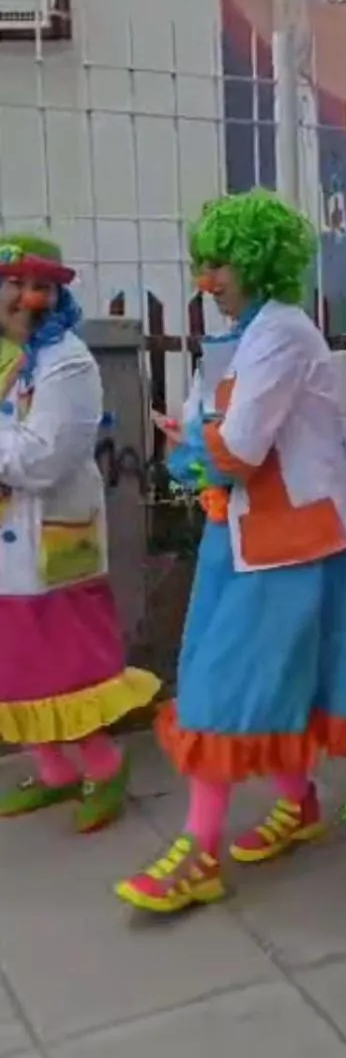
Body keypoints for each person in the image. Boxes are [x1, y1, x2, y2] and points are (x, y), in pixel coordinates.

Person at [116, 190, 346, 914]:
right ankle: (299, 804)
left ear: (260, 263)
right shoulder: (242, 335)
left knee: (219, 692)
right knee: (264, 686)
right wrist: (199, 440)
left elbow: (234, 448)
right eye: (202, 264)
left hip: (290, 546)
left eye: (222, 264)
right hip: (240, 537)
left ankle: (199, 852)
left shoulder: (283, 334)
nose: (206, 281)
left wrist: (194, 440)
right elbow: (214, 437)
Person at [0, 235, 160, 831]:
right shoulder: (5, 355)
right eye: (14, 283)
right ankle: (52, 771)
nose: (27, 297)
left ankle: (103, 763)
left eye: (41, 286)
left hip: (51, 541)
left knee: (63, 665)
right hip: (7, 538)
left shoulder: (66, 360)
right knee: (11, 662)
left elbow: (43, 459)